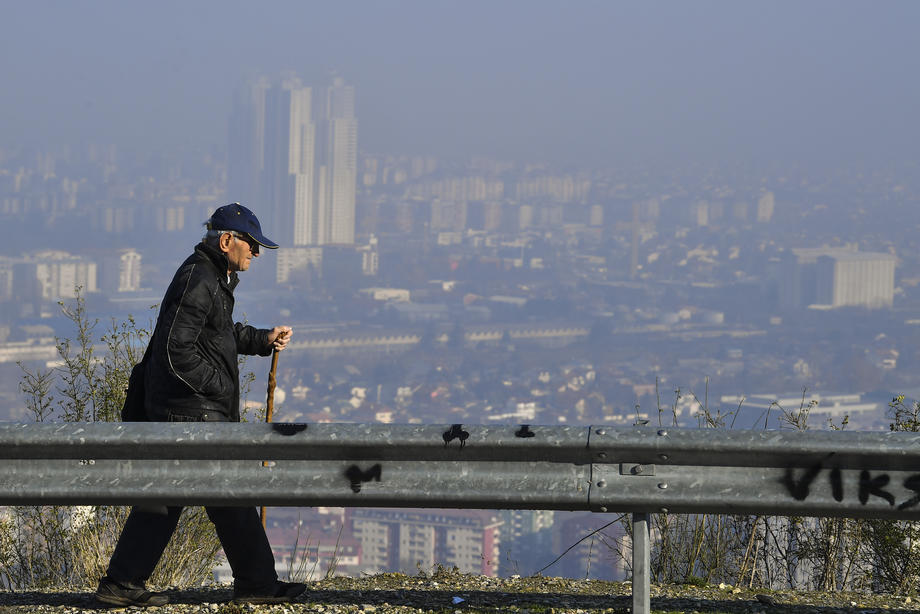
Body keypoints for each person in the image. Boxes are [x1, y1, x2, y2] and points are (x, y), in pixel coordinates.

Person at [96, 203, 306, 607]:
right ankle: (256, 584)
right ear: (227, 240)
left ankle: (123, 583)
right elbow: (177, 351)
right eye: (252, 244)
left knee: (180, 497)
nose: (257, 254)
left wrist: (262, 340)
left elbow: (219, 336)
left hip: (187, 411)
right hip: (190, 414)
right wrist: (218, 388)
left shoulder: (212, 278)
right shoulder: (200, 278)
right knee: (223, 495)